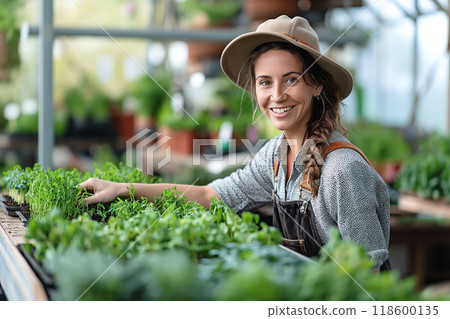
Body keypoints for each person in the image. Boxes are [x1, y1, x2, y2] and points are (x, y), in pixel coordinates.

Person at [79, 15, 390, 270]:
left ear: (317, 84)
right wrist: (122, 188)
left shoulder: (342, 170)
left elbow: (369, 277)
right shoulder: (276, 156)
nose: (277, 95)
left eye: (291, 79)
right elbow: (208, 194)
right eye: (265, 82)